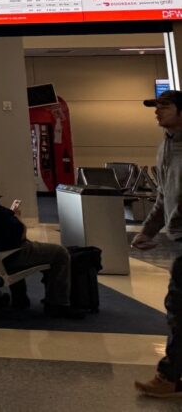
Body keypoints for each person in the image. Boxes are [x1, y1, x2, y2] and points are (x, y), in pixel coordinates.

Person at [0, 171, 80, 318]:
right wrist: (16, 216)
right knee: (59, 253)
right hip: (2, 260)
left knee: (11, 247)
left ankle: (20, 299)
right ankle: (57, 304)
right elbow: (20, 235)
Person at [134, 90, 182, 398]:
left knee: (178, 306)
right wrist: (148, 230)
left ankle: (169, 375)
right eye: (156, 106)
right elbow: (164, 195)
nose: (157, 111)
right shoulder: (165, 146)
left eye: (165, 106)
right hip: (179, 236)